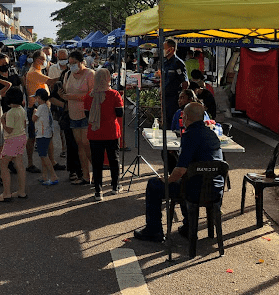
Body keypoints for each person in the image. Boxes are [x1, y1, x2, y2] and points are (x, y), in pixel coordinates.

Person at [134, 102, 223, 242]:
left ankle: (154, 230)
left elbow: (180, 169)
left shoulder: (189, 135)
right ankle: (188, 226)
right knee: (187, 180)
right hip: (216, 188)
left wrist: (168, 179)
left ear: (186, 117)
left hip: (195, 189)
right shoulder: (211, 134)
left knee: (154, 185)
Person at [84, 68, 123, 201]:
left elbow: (87, 115)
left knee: (97, 162)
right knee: (114, 159)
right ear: (107, 79)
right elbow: (120, 113)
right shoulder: (114, 94)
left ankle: (98, 191)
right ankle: (115, 186)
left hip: (95, 133)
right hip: (111, 131)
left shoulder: (89, 96)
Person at [59, 50, 95, 184]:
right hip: (73, 114)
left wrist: (74, 97)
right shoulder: (68, 74)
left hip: (86, 114)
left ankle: (97, 171)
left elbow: (93, 95)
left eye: (74, 63)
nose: (72, 66)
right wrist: (63, 95)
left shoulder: (90, 74)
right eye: (70, 63)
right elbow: (65, 92)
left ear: (81, 62)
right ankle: (86, 176)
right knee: (79, 145)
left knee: (87, 145)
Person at [24, 50, 58, 173]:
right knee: (33, 136)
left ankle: (52, 161)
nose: (45, 61)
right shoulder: (33, 72)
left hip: (42, 107)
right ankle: (30, 164)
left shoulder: (37, 71)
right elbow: (50, 81)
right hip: (36, 108)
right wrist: (64, 75)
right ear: (37, 59)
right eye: (43, 59)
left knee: (47, 135)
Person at [0, 87, 28, 202]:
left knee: (3, 164)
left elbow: (9, 129)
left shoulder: (10, 113)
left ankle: (6, 193)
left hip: (12, 140)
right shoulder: (21, 110)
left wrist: (3, 122)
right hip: (22, 137)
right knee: (19, 164)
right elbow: (24, 125)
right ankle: (21, 191)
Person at [156, 39, 187, 128]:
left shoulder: (178, 63)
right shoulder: (165, 63)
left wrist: (181, 98)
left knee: (172, 122)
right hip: (165, 98)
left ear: (171, 49)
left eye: (164, 48)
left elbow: (185, 83)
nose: (163, 50)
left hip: (174, 99)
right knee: (165, 122)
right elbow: (162, 77)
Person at [32, 88, 58, 186]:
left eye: (36, 98)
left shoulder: (41, 108)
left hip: (41, 135)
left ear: (39, 98)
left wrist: (34, 112)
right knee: (43, 156)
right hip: (46, 134)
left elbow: (34, 119)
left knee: (44, 156)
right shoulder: (46, 107)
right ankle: (44, 176)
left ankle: (53, 175)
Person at [48, 49, 70, 157]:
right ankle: (64, 148)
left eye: (65, 59)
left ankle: (70, 148)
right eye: (61, 59)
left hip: (70, 99)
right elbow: (51, 85)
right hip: (58, 100)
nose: (63, 61)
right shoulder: (53, 68)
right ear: (57, 58)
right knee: (62, 126)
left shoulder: (71, 68)